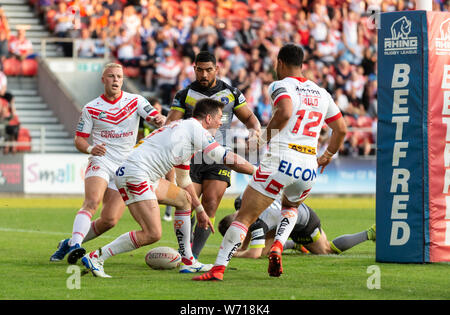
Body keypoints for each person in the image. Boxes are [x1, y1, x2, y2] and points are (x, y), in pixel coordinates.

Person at [193, 43, 347, 281]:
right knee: (290, 207)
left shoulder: (281, 85)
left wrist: (263, 139)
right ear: (302, 64)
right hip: (308, 167)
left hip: (281, 159)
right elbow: (341, 129)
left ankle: (217, 270)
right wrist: (327, 155)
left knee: (244, 217)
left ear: (280, 63)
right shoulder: (322, 93)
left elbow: (284, 112)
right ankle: (278, 245)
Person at [81, 98, 257, 277]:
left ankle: (188, 261)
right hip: (137, 174)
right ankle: (97, 257)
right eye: (220, 117)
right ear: (209, 119)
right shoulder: (196, 130)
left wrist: (200, 210)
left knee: (183, 199)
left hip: (141, 174)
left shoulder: (185, 131)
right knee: (152, 233)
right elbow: (227, 159)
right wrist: (257, 172)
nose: (221, 122)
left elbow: (184, 180)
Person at [49, 63, 165, 264]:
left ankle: (68, 243)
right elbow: (79, 139)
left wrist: (160, 120)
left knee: (110, 220)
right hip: (102, 160)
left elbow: (154, 116)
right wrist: (89, 149)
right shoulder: (91, 108)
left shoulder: (135, 101)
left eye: (119, 76)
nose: (116, 80)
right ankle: (76, 246)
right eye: (111, 76)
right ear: (103, 80)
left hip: (126, 167)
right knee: (92, 201)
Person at [165, 51, 261, 259]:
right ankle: (186, 246)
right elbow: (170, 125)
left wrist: (254, 133)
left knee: (209, 204)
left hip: (219, 156)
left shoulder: (231, 93)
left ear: (216, 69)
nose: (204, 74)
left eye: (209, 70)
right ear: (194, 69)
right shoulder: (184, 95)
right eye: (200, 70)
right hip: (191, 157)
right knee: (187, 203)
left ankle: (193, 257)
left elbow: (251, 119)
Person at [218, 194, 376, 258]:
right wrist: (241, 247)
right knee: (267, 252)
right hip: (281, 216)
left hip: (302, 222)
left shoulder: (258, 224)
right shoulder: (240, 202)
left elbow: (254, 254)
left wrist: (235, 254)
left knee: (327, 251)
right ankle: (293, 244)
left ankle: (370, 233)